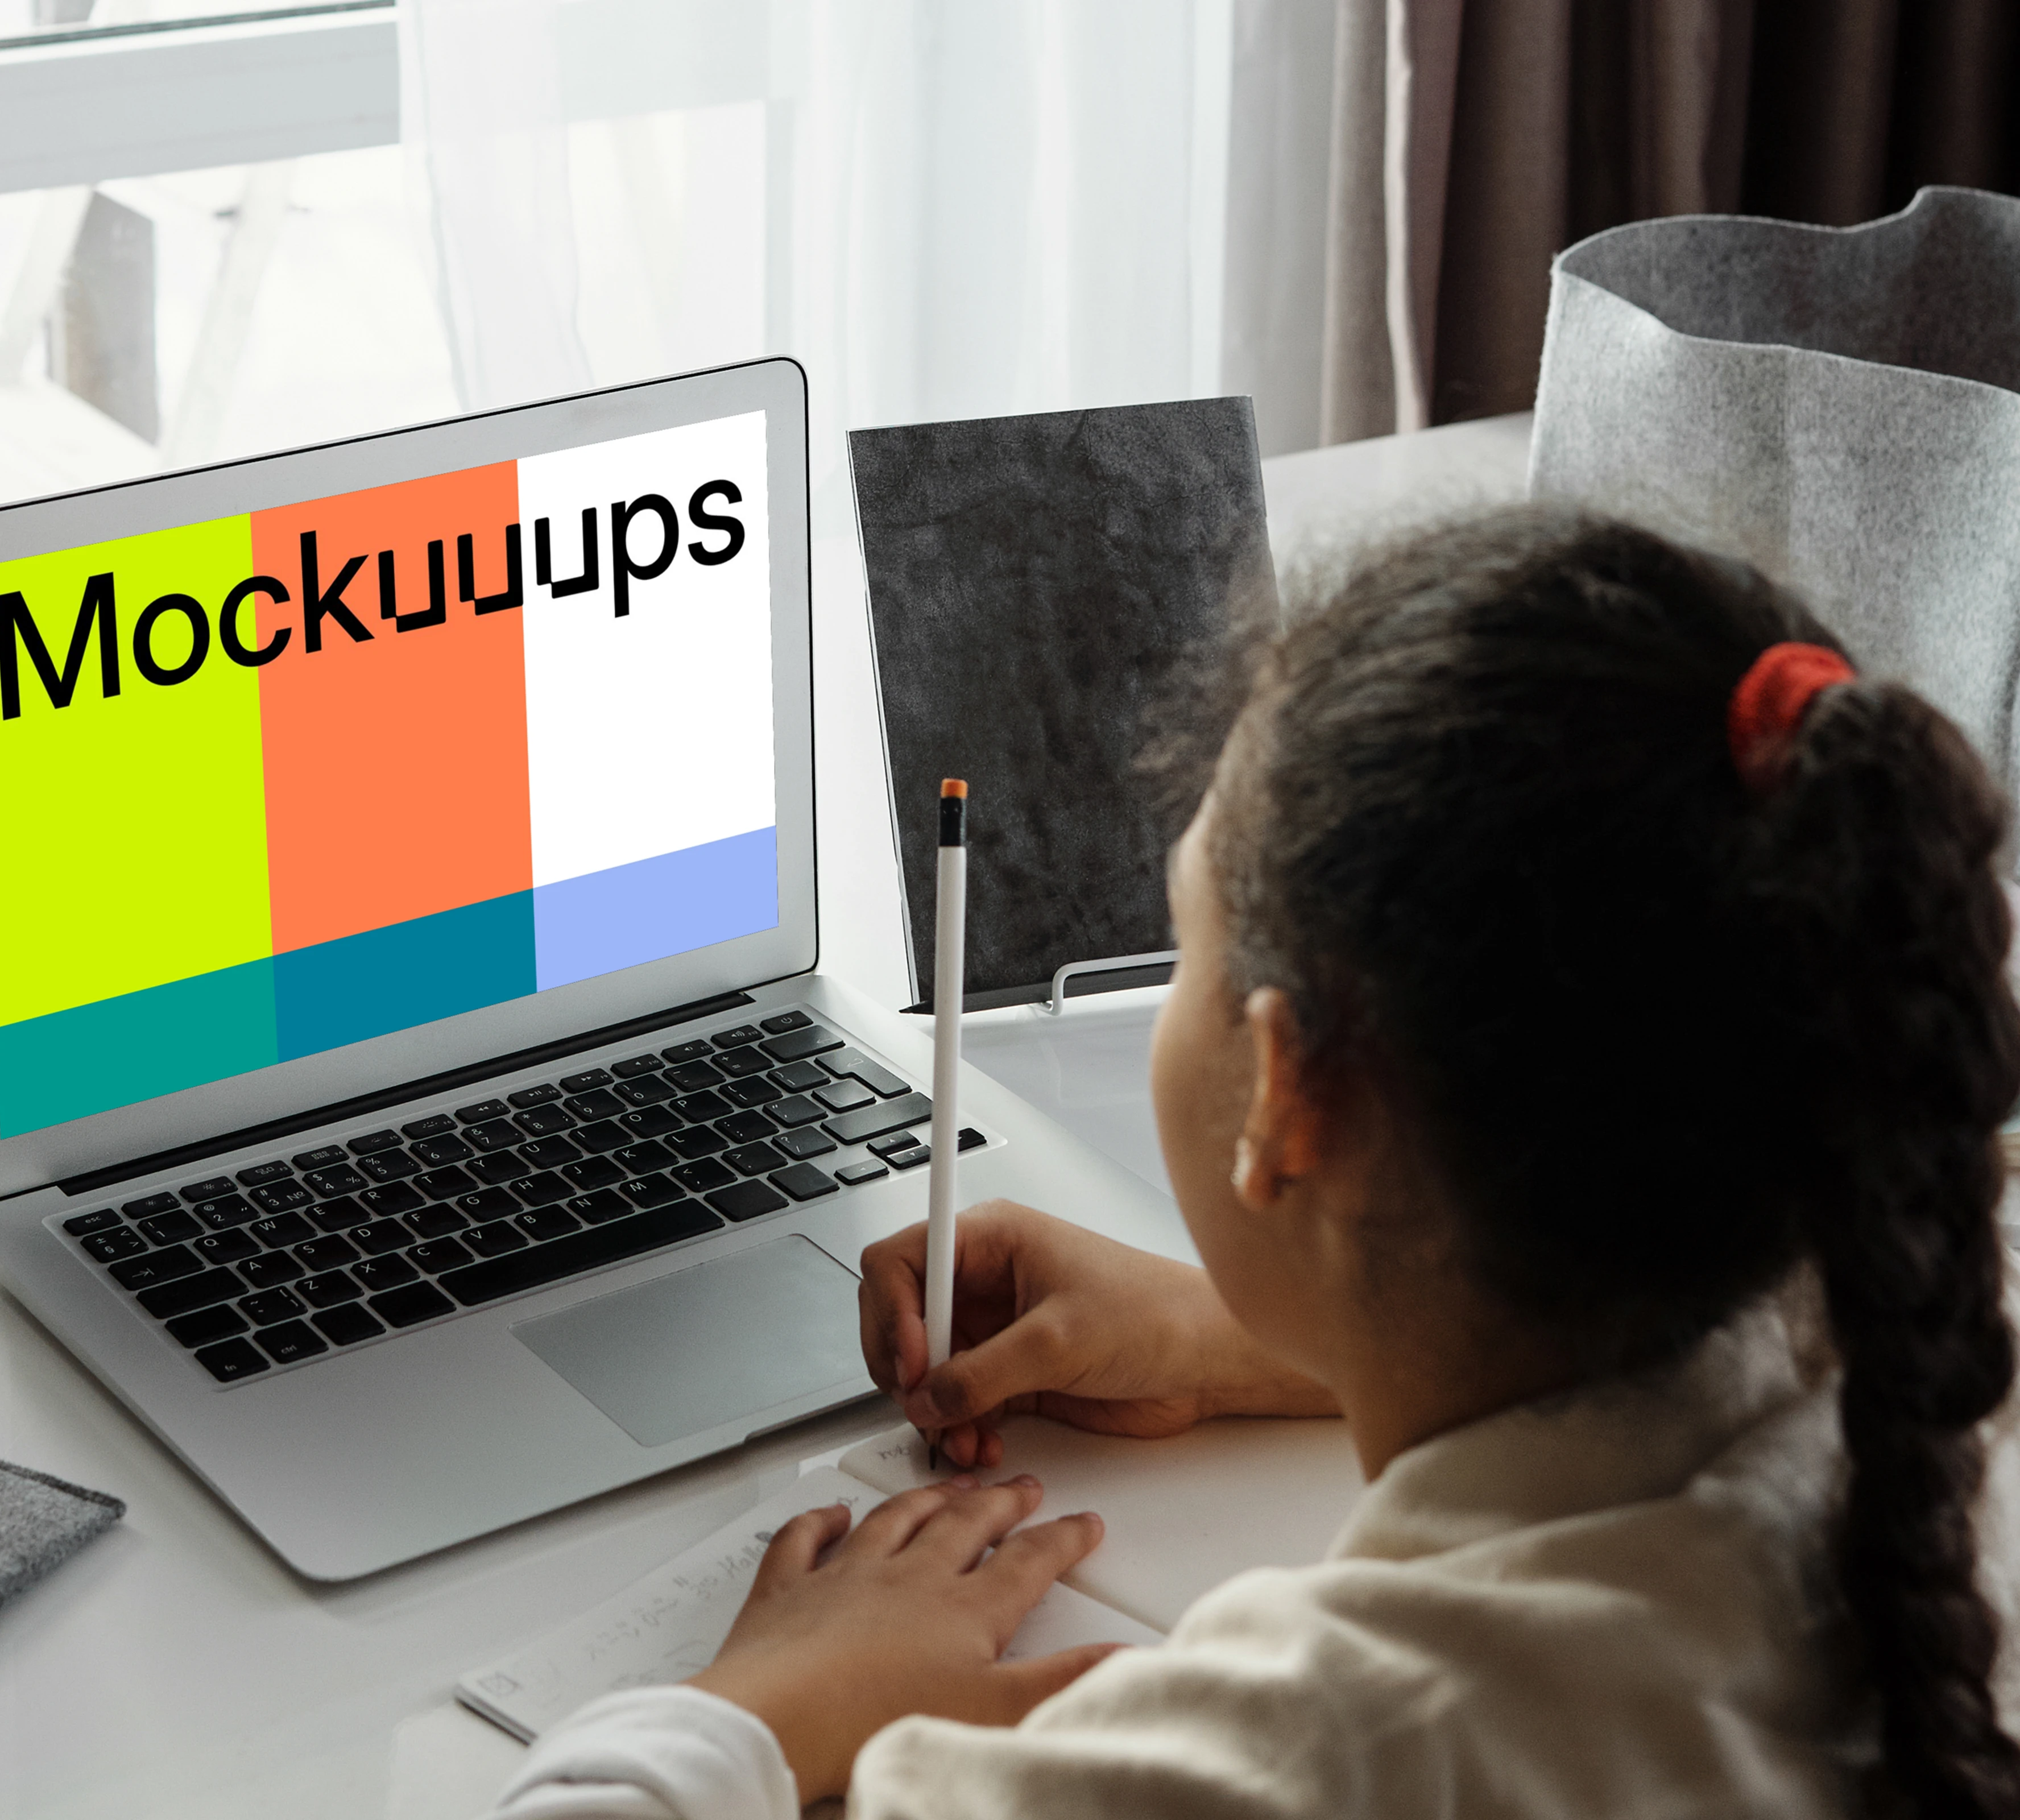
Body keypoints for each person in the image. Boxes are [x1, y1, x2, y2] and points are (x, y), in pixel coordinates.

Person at [483, 508, 2020, 1819]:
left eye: (1187, 944)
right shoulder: (1947, 1355)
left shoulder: (1312, 1757)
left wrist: (763, 1706)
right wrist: (1259, 1337)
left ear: (1289, 1094)